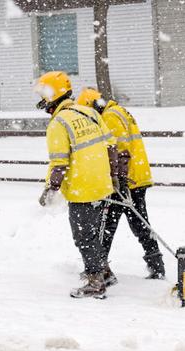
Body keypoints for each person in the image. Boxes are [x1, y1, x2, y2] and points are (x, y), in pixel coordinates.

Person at [34, 71, 119, 299]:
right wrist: (114, 177)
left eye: (44, 94)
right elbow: (111, 146)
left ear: (54, 94)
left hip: (83, 189)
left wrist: (50, 191)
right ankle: (105, 273)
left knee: (83, 237)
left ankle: (95, 282)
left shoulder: (58, 123)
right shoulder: (90, 113)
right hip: (102, 186)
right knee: (93, 235)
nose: (42, 100)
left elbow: (59, 164)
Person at [76, 87, 165, 280]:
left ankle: (99, 268)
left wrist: (120, 181)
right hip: (136, 177)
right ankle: (155, 264)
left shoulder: (109, 117)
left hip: (127, 180)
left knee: (109, 224)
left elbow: (120, 151)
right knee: (136, 223)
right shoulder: (119, 110)